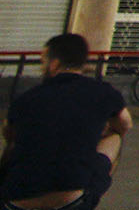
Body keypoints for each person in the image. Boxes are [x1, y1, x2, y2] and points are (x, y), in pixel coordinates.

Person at [0, 32, 129, 210]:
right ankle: (87, 185)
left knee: (14, 147)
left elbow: (8, 135)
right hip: (70, 201)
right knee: (115, 137)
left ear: (54, 64)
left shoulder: (25, 99)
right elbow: (125, 124)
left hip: (15, 202)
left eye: (43, 61)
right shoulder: (104, 93)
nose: (41, 67)